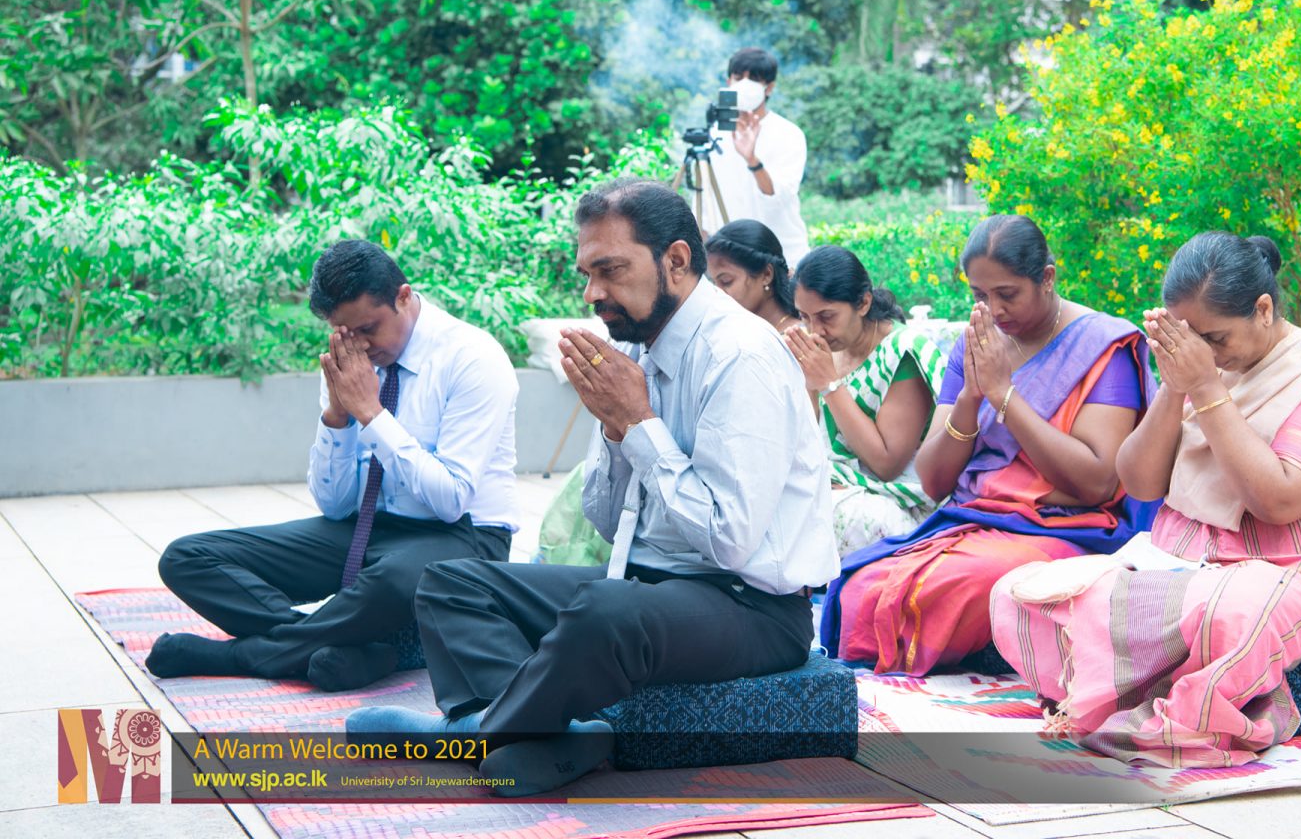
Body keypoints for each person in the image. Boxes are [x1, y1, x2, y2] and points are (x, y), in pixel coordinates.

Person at [348, 179, 838, 796]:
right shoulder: (633, 348)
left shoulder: (740, 356)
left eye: (610, 270)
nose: (592, 293)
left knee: (605, 611)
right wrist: (614, 428)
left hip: (752, 607)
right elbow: (606, 522)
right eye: (587, 273)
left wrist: (639, 424)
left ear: (676, 260)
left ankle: (473, 732)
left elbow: (730, 541)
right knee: (451, 581)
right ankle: (546, 737)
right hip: (650, 586)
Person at [989, 232, 1301, 767]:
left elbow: (1279, 502)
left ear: (1263, 310)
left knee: (1229, 615)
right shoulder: (1194, 369)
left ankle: (1153, 704)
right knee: (1017, 596)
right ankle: (1140, 691)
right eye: (1190, 339)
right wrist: (1175, 387)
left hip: (1292, 562)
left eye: (1216, 338)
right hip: (1180, 556)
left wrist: (1208, 388)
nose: (1204, 353)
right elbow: (1140, 484)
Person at [148, 241, 518, 691]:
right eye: (346, 332)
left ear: (403, 297)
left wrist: (372, 415)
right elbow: (336, 507)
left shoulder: (473, 358)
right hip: (370, 529)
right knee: (187, 558)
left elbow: (451, 500)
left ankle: (243, 655)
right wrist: (338, 419)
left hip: (465, 536)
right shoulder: (352, 363)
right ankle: (354, 649)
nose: (360, 345)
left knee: (394, 581)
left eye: (368, 328)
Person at [820, 215, 1157, 676]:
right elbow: (935, 482)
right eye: (980, 295)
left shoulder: (1101, 346)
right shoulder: (977, 345)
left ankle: (996, 643)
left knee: (954, 588)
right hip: (975, 520)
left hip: (1066, 528)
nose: (994, 310)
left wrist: (1005, 397)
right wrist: (970, 398)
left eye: (1007, 294)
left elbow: (1096, 482)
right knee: (863, 583)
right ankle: (989, 642)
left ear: (1047, 278)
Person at [786, 245, 946, 556]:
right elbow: (811, 440)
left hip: (902, 503)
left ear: (863, 303)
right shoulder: (829, 349)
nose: (816, 330)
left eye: (826, 316)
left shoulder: (901, 352)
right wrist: (809, 382)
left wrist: (829, 385)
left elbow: (886, 464)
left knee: (817, 517)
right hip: (843, 486)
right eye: (805, 317)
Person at [696, 47, 810, 265]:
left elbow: (779, 197)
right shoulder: (714, 133)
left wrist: (752, 161)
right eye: (739, 77)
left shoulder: (788, 134)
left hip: (780, 255)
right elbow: (702, 202)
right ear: (729, 82)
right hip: (727, 257)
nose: (745, 85)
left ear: (769, 88)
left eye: (754, 79)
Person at [704, 218, 799, 333]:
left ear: (766, 274)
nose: (718, 293)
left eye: (726, 281)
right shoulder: (735, 331)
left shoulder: (798, 339)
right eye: (713, 283)